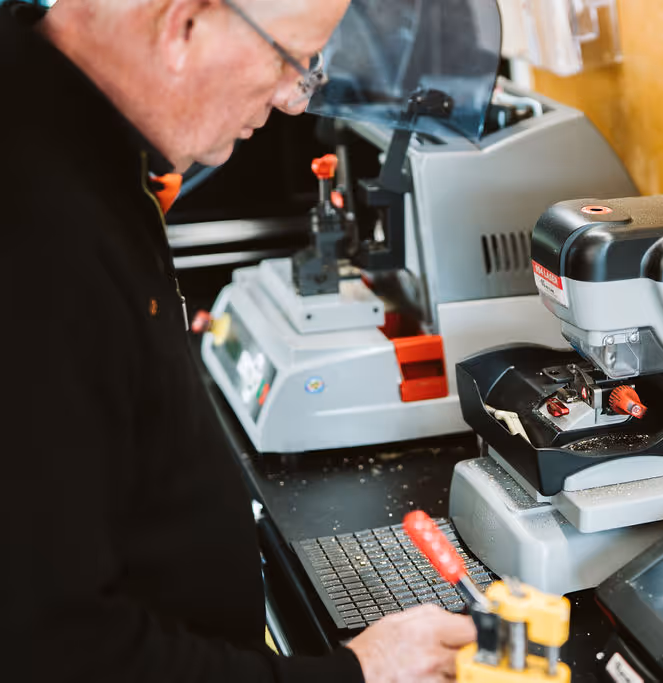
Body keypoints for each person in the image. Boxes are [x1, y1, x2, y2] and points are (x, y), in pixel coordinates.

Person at [0, 1, 475, 681]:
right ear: (183, 26)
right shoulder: (33, 228)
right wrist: (357, 673)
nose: (291, 99)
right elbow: (57, 649)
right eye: (290, 58)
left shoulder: (61, 124)